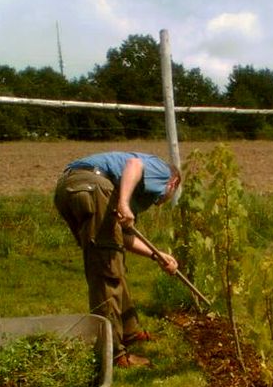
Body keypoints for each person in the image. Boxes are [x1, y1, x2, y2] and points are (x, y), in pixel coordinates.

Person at [54, 151, 181, 368]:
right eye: (170, 194)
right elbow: (134, 164)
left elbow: (124, 238)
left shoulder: (130, 188)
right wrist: (123, 203)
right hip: (92, 187)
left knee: (111, 261)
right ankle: (114, 354)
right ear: (173, 183)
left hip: (69, 189)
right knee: (106, 273)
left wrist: (156, 256)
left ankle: (130, 332)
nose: (161, 201)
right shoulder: (162, 171)